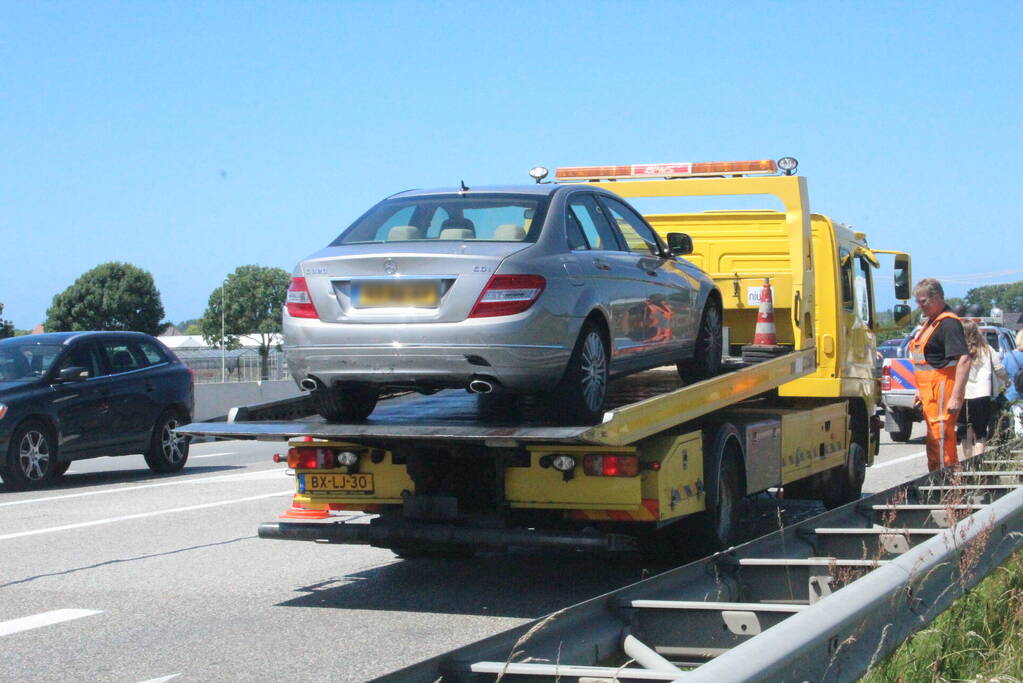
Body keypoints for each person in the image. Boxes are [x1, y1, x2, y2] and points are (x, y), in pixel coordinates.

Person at [908, 278, 971, 471]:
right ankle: (937, 480)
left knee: (941, 439)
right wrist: (919, 390)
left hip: (942, 390)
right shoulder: (930, 323)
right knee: (934, 439)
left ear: (937, 298)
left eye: (923, 301)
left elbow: (964, 359)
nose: (919, 306)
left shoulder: (948, 324)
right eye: (917, 301)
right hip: (930, 393)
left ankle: (948, 484)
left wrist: (956, 397)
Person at [957, 320, 1010, 459]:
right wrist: (1006, 381)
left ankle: (967, 462)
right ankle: (978, 461)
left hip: (962, 394)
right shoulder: (987, 349)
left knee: (965, 431)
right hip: (982, 394)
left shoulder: (958, 351)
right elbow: (999, 369)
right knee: (980, 432)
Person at [1004, 329, 1023, 437]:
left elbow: (1003, 373)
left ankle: (1020, 443)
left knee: (1018, 418)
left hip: (1014, 392)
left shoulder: (1009, 356)